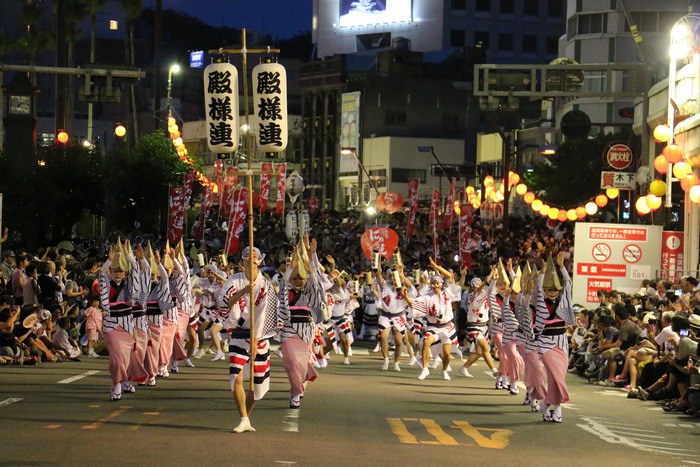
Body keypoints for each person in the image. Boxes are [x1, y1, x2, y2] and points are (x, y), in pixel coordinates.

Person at [220, 246, 278, 433]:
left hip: (259, 337)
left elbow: (263, 314)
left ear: (260, 260)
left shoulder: (266, 284)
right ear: (241, 261)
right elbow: (225, 302)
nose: (250, 259)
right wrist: (243, 291)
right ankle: (243, 418)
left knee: (256, 385)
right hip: (239, 334)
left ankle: (246, 417)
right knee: (236, 377)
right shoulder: (234, 280)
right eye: (247, 256)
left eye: (254, 257)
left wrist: (256, 339)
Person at [277, 236, 324, 408]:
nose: (298, 281)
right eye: (295, 278)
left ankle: (297, 388)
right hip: (289, 331)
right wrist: (294, 262)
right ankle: (296, 392)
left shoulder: (309, 292)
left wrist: (311, 256)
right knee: (290, 363)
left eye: (301, 278)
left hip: (305, 332)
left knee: (301, 365)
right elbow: (284, 280)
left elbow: (315, 281)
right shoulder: (285, 290)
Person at [405, 257, 461, 381]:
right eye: (434, 283)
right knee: (426, 342)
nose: (436, 285)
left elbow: (450, 277)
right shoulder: (426, 297)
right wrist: (405, 296)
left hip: (447, 326)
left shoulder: (447, 293)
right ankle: (425, 368)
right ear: (431, 285)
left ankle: (445, 370)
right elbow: (413, 303)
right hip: (434, 326)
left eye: (438, 283)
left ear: (441, 284)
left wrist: (436, 267)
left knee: (446, 353)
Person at [535, 253, 575, 423]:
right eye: (549, 289)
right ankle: (557, 409)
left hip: (562, 343)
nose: (552, 292)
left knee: (556, 378)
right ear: (544, 290)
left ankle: (547, 405)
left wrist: (562, 266)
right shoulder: (539, 301)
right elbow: (537, 289)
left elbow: (569, 284)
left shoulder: (564, 301)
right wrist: (543, 273)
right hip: (545, 344)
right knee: (557, 378)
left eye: (555, 290)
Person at [99, 242, 139, 401]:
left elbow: (136, 269)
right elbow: (102, 274)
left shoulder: (129, 285)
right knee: (116, 357)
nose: (118, 273)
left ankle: (125, 380)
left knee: (126, 358)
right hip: (111, 326)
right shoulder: (106, 284)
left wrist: (128, 255)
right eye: (115, 270)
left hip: (127, 326)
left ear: (125, 272)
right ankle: (116, 384)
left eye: (121, 270)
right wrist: (109, 261)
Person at [374, 260, 416, 372]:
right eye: (391, 276)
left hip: (399, 316)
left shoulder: (403, 287)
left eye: (395, 276)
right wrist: (378, 272)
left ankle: (396, 362)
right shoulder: (385, 286)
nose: (393, 278)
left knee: (398, 341)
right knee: (383, 337)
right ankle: (386, 359)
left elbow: (413, 289)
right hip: (385, 315)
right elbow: (379, 279)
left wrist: (401, 275)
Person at [459, 276, 498, 378]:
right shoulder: (472, 295)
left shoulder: (485, 294)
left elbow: (491, 289)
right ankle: (494, 369)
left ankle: (464, 367)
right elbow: (480, 289)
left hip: (483, 325)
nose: (479, 285)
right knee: (486, 347)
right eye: (477, 283)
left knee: (479, 352)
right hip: (474, 326)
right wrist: (486, 282)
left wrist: (494, 279)